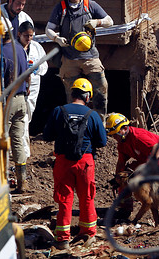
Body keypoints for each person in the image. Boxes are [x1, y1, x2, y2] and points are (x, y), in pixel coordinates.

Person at [43, 78, 107, 249]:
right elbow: (102, 142)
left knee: (64, 199)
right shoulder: (92, 115)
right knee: (87, 197)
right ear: (88, 96)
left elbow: (47, 135)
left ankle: (63, 238)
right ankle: (87, 234)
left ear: (72, 93)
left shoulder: (59, 111)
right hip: (85, 162)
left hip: (63, 162)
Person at [46, 0, 113, 118]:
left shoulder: (90, 5)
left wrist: (97, 22)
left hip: (90, 58)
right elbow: (48, 29)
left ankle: (99, 122)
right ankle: (74, 121)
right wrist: (57, 38)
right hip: (69, 59)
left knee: (100, 89)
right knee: (72, 94)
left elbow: (109, 21)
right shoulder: (61, 8)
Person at [106, 113, 159, 219]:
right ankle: (125, 209)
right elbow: (121, 163)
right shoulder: (122, 143)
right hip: (146, 157)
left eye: (116, 134)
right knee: (124, 177)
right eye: (113, 135)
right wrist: (117, 178)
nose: (114, 137)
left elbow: (157, 148)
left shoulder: (138, 136)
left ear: (125, 128)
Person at [2, 30, 30, 193]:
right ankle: (22, 182)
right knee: (18, 140)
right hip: (21, 101)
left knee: (2, 140)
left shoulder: (1, 53)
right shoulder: (19, 48)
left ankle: (2, 179)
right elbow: (27, 74)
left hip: (9, 101)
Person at [17, 21, 49, 159]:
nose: (29, 39)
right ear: (19, 35)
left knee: (28, 114)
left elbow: (45, 67)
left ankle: (23, 148)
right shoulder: (14, 47)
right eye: (26, 36)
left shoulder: (36, 47)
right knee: (20, 116)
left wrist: (37, 69)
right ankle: (22, 150)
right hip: (18, 86)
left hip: (34, 85)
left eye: (31, 36)